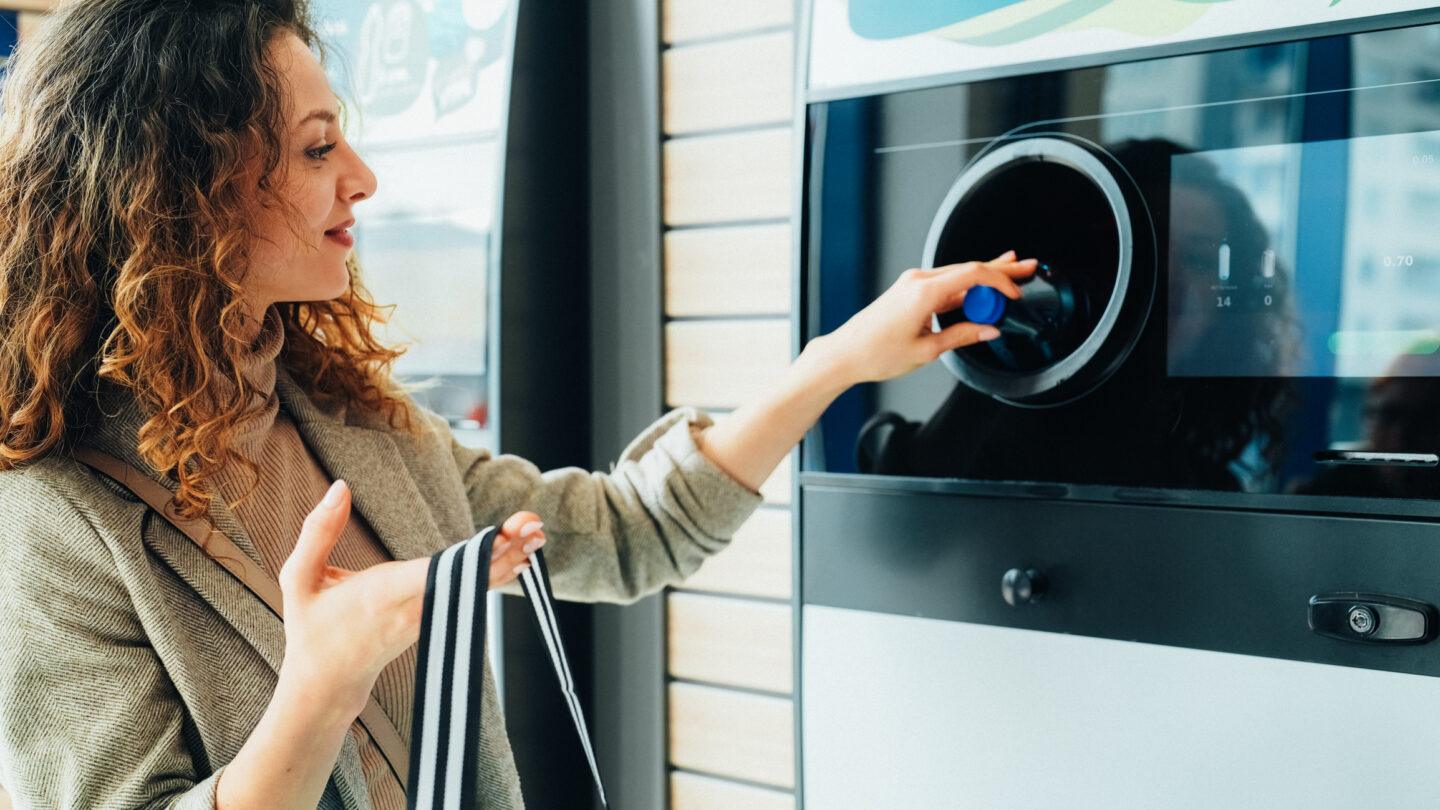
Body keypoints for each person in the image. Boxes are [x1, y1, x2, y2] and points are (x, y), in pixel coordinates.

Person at [0, 1, 1036, 808]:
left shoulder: (350, 417)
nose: (361, 177)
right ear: (182, 190)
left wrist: (838, 359)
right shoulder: (52, 514)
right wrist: (322, 684)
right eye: (317, 150)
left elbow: (630, 534)